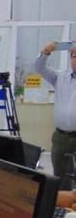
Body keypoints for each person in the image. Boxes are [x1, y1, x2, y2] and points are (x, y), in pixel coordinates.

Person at [34, 42, 76, 190]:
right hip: (61, 136)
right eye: (74, 56)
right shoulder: (60, 77)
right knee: (60, 175)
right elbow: (39, 68)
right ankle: (62, 207)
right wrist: (45, 52)